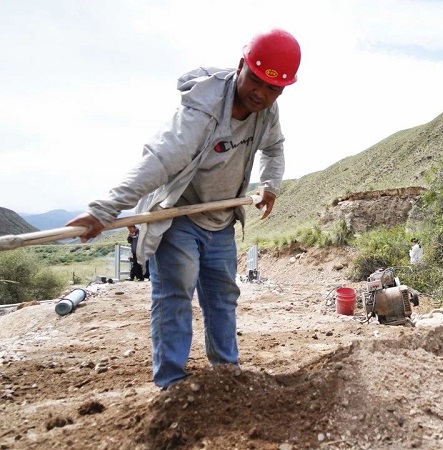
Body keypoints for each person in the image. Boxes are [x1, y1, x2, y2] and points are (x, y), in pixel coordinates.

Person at [65, 29, 301, 389]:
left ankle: (226, 376)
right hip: (178, 216)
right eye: (256, 80)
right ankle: (172, 385)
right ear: (242, 66)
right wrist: (104, 210)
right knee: (175, 296)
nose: (261, 94)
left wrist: (270, 185)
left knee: (223, 297)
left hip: (220, 220)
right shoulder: (202, 110)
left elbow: (275, 147)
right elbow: (159, 161)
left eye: (273, 89)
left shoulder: (266, 111)